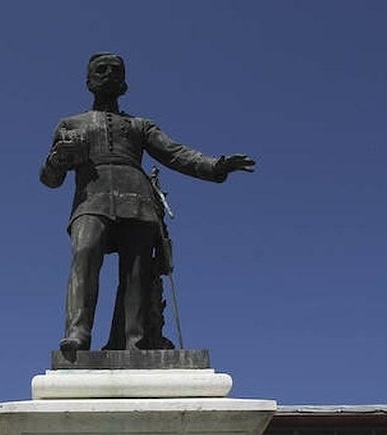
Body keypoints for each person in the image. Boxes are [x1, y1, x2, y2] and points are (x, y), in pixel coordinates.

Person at [40, 52, 254, 354]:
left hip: (137, 200)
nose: (109, 74)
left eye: (116, 70)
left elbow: (175, 153)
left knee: (137, 272)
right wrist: (56, 161)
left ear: (125, 83)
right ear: (88, 81)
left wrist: (214, 166)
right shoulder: (70, 123)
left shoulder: (140, 125)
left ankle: (135, 343)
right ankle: (77, 334)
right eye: (101, 70)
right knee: (85, 255)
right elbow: (50, 179)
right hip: (91, 199)